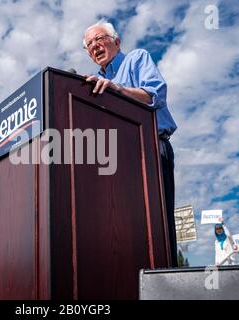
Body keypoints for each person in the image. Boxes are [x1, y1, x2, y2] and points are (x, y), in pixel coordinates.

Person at [83, 20, 178, 266]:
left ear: (116, 41)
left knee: (158, 225)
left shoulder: (136, 59)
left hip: (152, 148)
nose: (94, 46)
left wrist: (118, 88)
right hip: (119, 159)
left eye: (98, 39)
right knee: (124, 226)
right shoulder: (94, 82)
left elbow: (155, 95)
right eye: (89, 45)